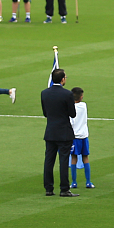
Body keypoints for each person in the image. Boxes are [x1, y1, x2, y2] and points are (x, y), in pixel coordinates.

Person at [40, 68, 77, 196]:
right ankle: (64, 189)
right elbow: (73, 114)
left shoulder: (44, 93)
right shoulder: (67, 94)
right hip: (64, 132)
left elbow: (45, 113)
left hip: (50, 131)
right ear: (62, 79)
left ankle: (49, 188)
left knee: (49, 161)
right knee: (63, 161)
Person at [67, 87, 93, 189]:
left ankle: (74, 182)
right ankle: (88, 182)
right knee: (85, 157)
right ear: (81, 97)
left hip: (74, 136)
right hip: (84, 136)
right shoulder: (84, 105)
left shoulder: (70, 108)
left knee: (74, 158)